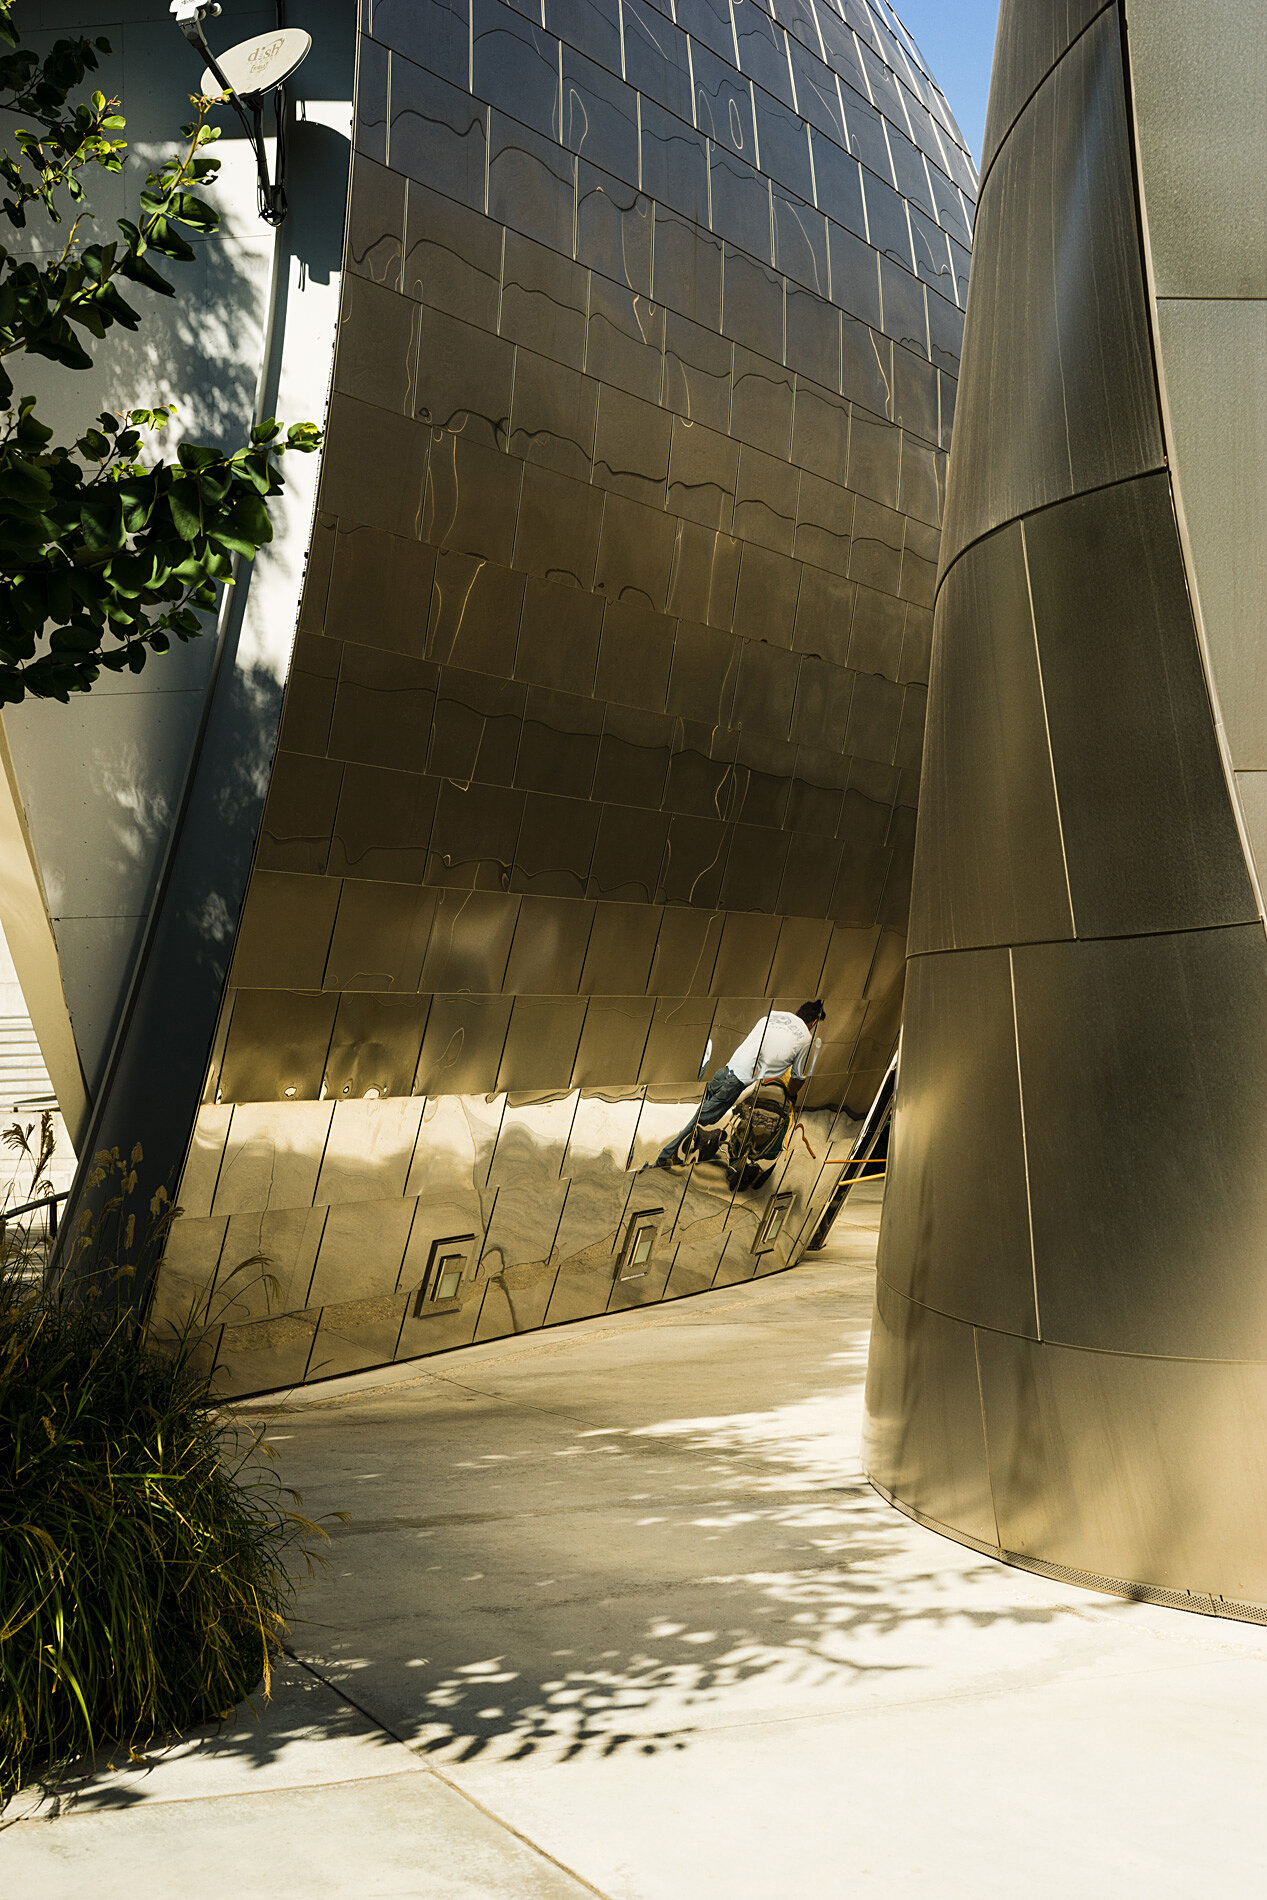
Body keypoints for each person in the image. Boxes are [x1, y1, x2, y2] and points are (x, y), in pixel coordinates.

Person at [654, 1000, 827, 1169]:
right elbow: (796, 1080)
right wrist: (792, 1090)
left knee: (701, 1114)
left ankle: (672, 1152)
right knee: (700, 1118)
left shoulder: (770, 1017)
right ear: (813, 1021)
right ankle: (664, 1157)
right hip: (736, 1083)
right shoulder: (805, 1038)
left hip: (726, 1071)